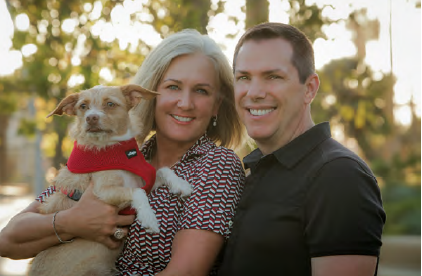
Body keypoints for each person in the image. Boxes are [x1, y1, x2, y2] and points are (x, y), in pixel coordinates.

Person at [0, 29, 246, 276]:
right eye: (173, 87)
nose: (185, 102)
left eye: (201, 91)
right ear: (148, 95)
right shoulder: (116, 153)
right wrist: (72, 223)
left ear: (217, 105)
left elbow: (185, 272)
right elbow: (8, 240)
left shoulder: (217, 165)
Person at [218, 22, 386, 276]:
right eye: (244, 77)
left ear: (309, 88)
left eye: (273, 76)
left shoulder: (338, 175)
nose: (254, 92)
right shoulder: (251, 172)